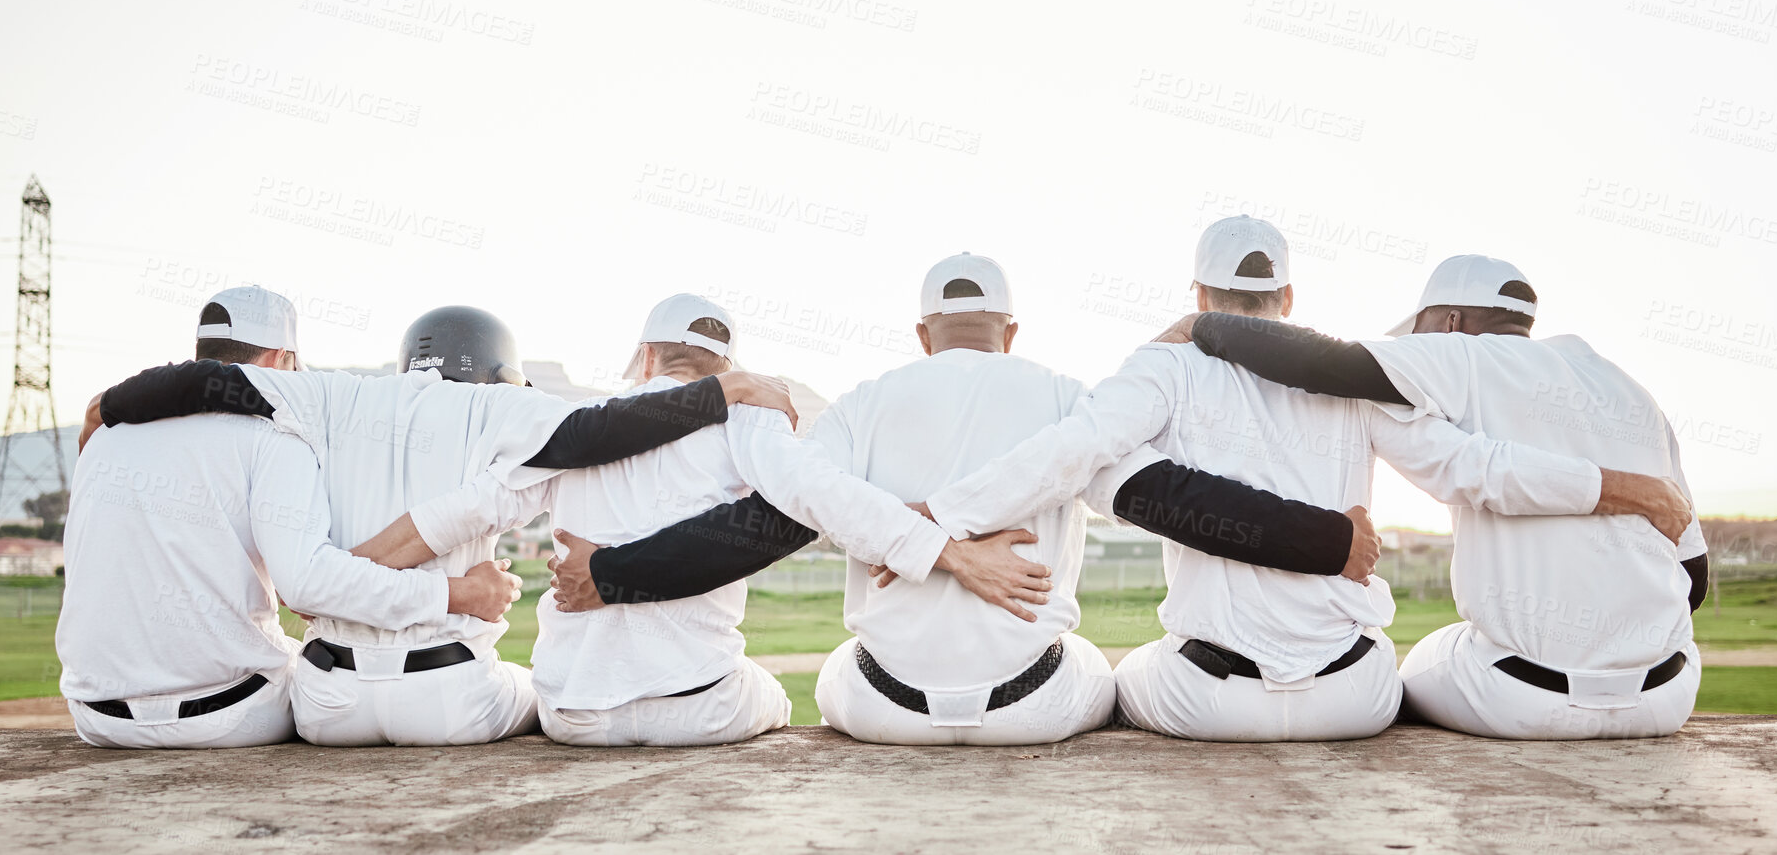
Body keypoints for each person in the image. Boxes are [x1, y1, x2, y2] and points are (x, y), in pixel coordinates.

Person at [552, 253, 1378, 745]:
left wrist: (914, 533)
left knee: (835, 665)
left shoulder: (865, 400)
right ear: (1009, 330)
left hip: (880, 709)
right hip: (1037, 709)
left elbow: (794, 501)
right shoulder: (1065, 395)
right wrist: (1330, 539)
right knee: (1114, 673)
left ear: (922, 334)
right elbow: (1152, 493)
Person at [920, 222, 1692, 741]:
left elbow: (1074, 448)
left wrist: (946, 517)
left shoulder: (1164, 363)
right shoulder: (1362, 384)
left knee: (1119, 676)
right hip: (1352, 699)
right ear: (1288, 300)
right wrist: (1625, 487)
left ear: (1197, 299)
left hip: (1208, 703)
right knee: (1412, 659)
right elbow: (1472, 471)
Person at [86, 302, 850, 746]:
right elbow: (597, 435)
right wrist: (727, 390)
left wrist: (111, 405)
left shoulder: (330, 393)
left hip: (324, 707)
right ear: (500, 368)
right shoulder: (506, 408)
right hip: (451, 697)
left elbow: (209, 380)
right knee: (532, 690)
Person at [422, 293, 1039, 746]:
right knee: (780, 692)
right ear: (730, 371)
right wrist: (942, 546)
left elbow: (471, 510)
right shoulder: (748, 418)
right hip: (700, 710)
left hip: (573, 716)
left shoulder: (575, 428)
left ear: (645, 358)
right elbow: (818, 498)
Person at [1178, 253, 1708, 739]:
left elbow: (1322, 365)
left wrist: (1202, 324)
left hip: (1520, 700)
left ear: (1450, 322)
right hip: (1668, 695)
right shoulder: (1635, 392)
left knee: (1401, 669)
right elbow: (1694, 577)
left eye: (1422, 328)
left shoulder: (1462, 355)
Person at [56, 286, 515, 748]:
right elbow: (309, 587)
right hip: (226, 715)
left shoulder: (103, 435)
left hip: (96, 718)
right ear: (281, 359)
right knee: (339, 677)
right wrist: (458, 593)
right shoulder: (274, 434)